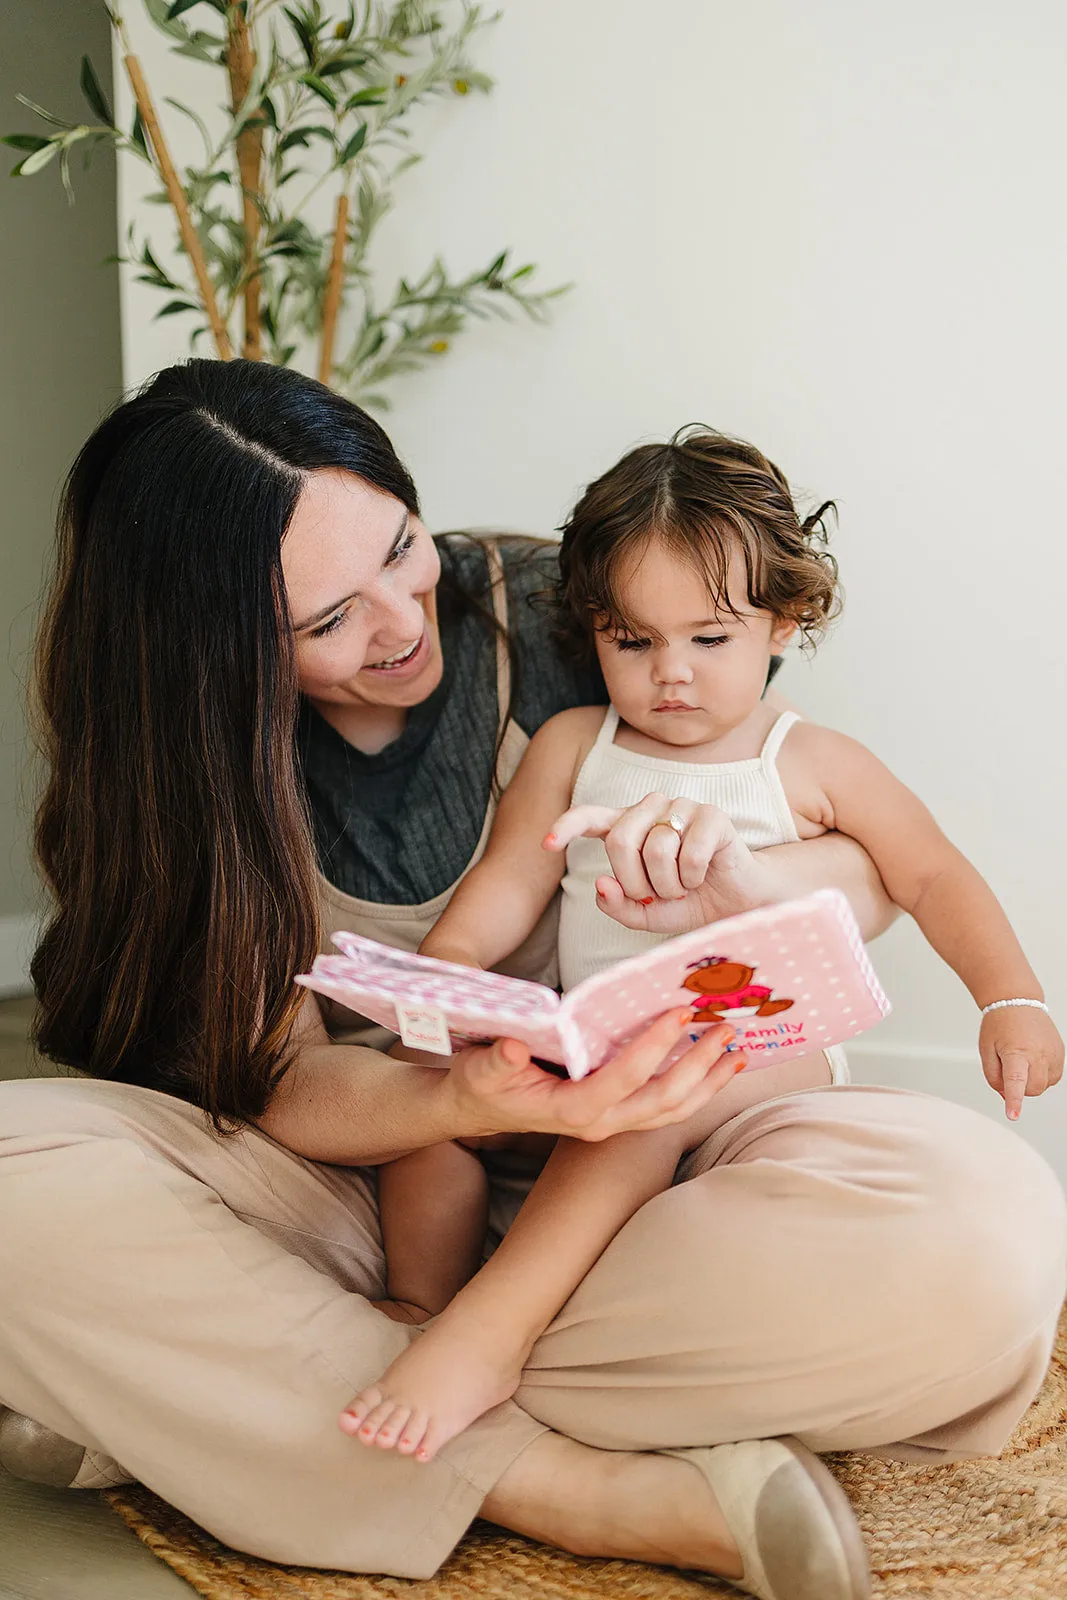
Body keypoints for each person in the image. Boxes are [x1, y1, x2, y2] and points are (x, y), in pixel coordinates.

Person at [0, 362, 1063, 1600]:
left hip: (672, 1186)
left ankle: (197, 1397)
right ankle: (567, 1481)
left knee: (984, 1239)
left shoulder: (570, 606)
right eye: (327, 620)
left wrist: (771, 893)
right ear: (211, 651)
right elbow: (279, 1084)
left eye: (400, 547)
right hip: (370, 1195)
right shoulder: (180, 782)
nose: (401, 621)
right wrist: (459, 1089)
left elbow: (878, 868)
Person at [342, 426, 1065, 1469]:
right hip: (594, 1055)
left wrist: (1010, 998)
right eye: (630, 642)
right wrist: (444, 981)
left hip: (756, 1053)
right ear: (590, 630)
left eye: (708, 639)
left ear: (785, 619)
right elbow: (509, 878)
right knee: (428, 1119)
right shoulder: (570, 747)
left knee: (652, 1097)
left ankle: (487, 1334)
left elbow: (931, 874)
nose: (668, 675)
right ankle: (418, 1306)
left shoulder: (806, 760)